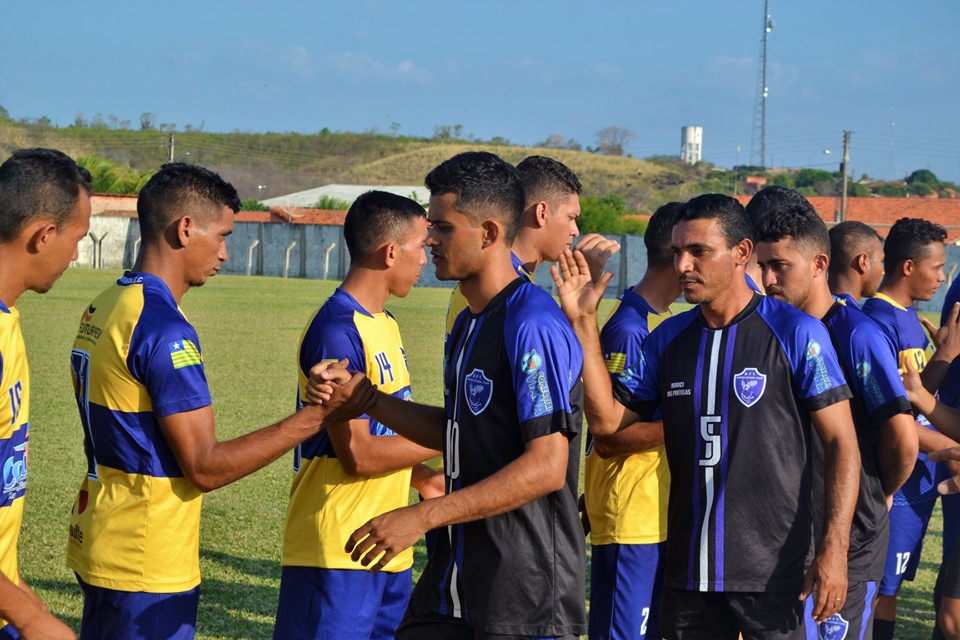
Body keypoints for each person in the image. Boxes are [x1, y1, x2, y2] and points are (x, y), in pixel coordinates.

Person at [66, 163, 374, 639]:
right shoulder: (165, 330)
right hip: (147, 556)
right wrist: (318, 416)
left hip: (102, 534)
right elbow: (205, 466)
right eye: (223, 235)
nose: (226, 253)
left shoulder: (106, 303)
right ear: (185, 229)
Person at [552, 193, 860, 639]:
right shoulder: (668, 339)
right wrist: (583, 323)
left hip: (774, 576)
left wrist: (835, 546)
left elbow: (842, 443)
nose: (682, 266)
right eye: (678, 252)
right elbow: (607, 426)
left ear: (741, 253)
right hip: (686, 573)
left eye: (698, 252)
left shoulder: (797, 333)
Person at [314, 151, 587, 639]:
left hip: (521, 593)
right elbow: (461, 429)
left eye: (442, 228)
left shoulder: (532, 322)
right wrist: (369, 401)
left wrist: (423, 515)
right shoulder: (468, 322)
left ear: (487, 233)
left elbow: (547, 465)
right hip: (455, 579)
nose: (429, 242)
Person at [273, 191, 442, 639]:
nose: (426, 259)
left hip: (386, 544)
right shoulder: (337, 330)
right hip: (335, 550)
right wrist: (456, 435)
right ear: (390, 252)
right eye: (421, 245)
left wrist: (421, 475)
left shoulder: (384, 322)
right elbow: (360, 455)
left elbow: (386, 429)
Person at [753, 194, 918, 639]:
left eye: (780, 267)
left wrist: (875, 494)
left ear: (819, 264)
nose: (767, 279)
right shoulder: (770, 330)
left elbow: (903, 439)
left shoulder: (857, 336)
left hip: (847, 542)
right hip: (781, 540)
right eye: (762, 266)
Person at [0, 148, 92, 640]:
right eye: (77, 240)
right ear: (43, 235)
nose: (76, 256)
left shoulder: (8, 321)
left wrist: (19, 595)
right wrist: (31, 618)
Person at [583, 201, 683, 640]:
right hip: (630, 515)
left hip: (651, 513)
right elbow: (610, 436)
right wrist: (691, 419)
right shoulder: (630, 329)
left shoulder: (654, 322)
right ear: (680, 258)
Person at [860, 217, 955, 640]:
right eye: (937, 267)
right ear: (909, 267)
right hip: (896, 483)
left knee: (891, 590)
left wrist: (943, 356)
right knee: (876, 590)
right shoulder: (876, 323)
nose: (943, 277)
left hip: (918, 483)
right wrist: (950, 446)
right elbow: (888, 417)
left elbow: (911, 398)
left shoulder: (909, 318)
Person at [827, 221, 885, 306]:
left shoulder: (808, 310)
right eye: (881, 261)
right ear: (863, 262)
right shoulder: (857, 318)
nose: (883, 272)